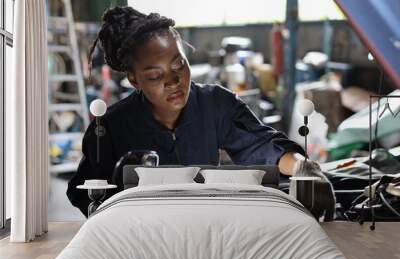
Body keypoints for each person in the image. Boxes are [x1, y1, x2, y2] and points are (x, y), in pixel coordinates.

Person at [67, 6, 306, 217]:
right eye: (154, 75)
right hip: (143, 233)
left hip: (206, 224)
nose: (173, 81)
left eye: (178, 64)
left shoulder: (215, 103)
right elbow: (85, 193)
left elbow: (262, 145)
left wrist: (304, 169)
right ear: (134, 80)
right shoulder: (111, 128)